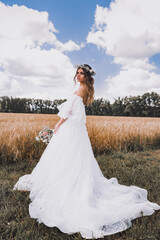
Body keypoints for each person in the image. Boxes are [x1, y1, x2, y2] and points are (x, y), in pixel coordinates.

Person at [13, 64, 160, 239]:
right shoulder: (83, 89)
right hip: (75, 129)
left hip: (71, 128)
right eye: (78, 72)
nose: (79, 75)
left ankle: (66, 184)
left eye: (82, 73)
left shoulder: (82, 90)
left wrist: (57, 126)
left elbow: (67, 112)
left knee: (68, 156)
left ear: (87, 77)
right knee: (68, 157)